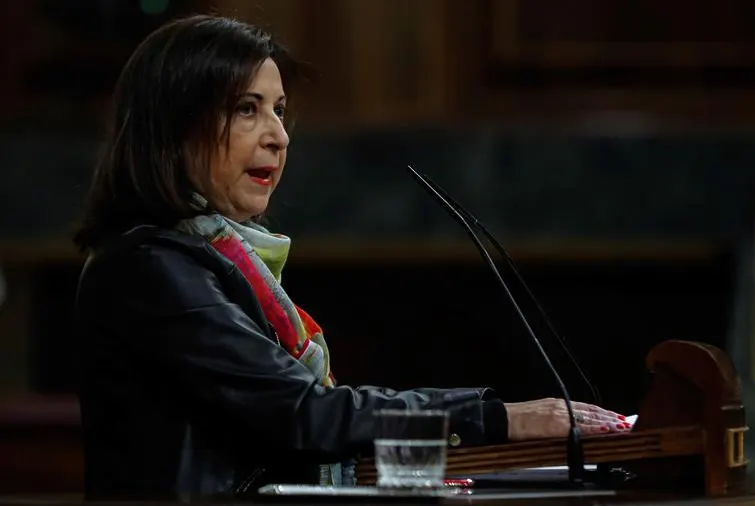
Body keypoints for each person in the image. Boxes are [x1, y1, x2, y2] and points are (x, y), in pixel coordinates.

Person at [72, 14, 631, 500]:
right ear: (171, 128)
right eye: (247, 109)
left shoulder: (205, 258)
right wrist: (497, 419)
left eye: (280, 110)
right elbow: (304, 414)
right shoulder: (150, 268)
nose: (279, 136)